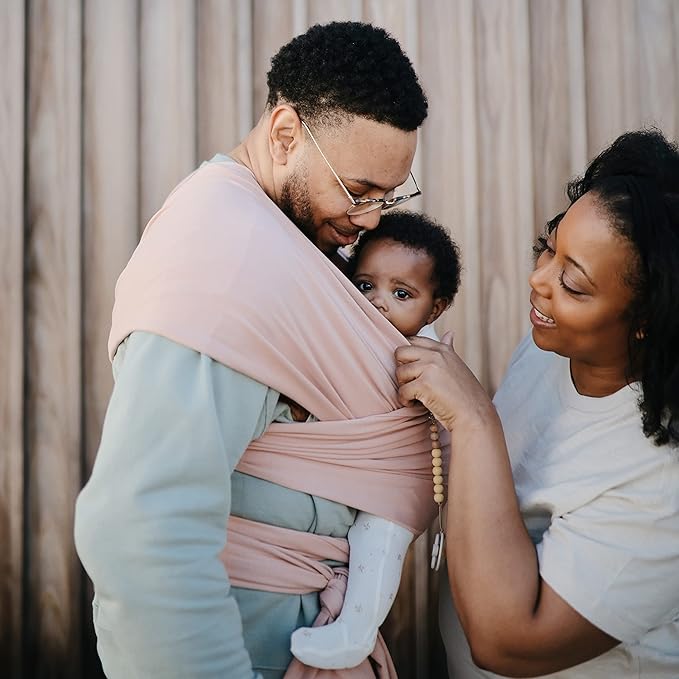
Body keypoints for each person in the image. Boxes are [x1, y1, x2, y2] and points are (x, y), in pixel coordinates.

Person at [74, 21, 437, 679]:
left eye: (388, 197)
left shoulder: (274, 235)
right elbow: (145, 530)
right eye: (357, 192)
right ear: (285, 134)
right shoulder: (228, 252)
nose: (370, 220)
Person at [394, 128, 679, 678]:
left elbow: (507, 643)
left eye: (572, 283)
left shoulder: (662, 486)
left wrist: (473, 419)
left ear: (646, 321)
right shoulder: (555, 343)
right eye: (550, 247)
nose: (537, 279)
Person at [290, 211, 462, 670]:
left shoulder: (425, 350)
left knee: (378, 540)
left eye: (401, 294)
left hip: (405, 479)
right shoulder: (347, 329)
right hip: (355, 469)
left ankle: (357, 630)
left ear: (435, 308)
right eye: (365, 285)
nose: (378, 302)